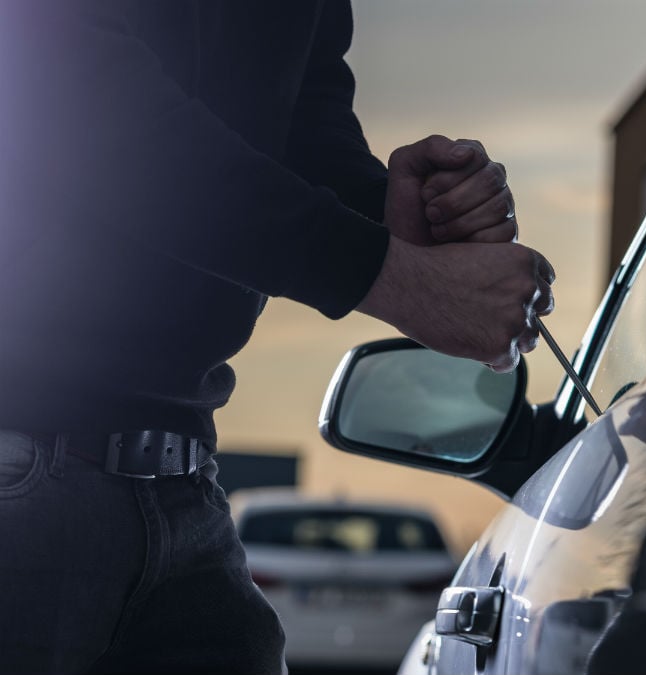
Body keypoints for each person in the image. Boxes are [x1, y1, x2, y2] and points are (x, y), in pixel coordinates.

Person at [0, 2, 553, 673]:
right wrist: (400, 280)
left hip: (182, 482)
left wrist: (395, 216)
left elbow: (301, 123)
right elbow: (82, 104)